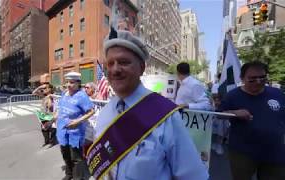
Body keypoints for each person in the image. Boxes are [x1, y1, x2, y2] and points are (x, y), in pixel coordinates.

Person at [89, 28, 208, 180]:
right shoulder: (105, 113)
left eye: (124, 62)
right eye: (110, 64)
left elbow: (193, 176)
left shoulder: (166, 115)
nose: (115, 69)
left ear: (142, 68)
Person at [219, 61, 285, 180]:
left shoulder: (277, 93)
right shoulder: (232, 96)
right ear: (242, 78)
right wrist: (234, 113)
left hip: (275, 152)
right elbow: (218, 114)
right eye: (252, 79)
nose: (258, 81)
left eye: (262, 77)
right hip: (243, 153)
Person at [56, 72, 95, 180]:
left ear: (78, 83)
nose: (68, 84)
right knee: (65, 154)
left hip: (75, 133)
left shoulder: (82, 96)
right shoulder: (65, 93)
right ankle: (69, 174)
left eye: (72, 82)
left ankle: (78, 177)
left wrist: (77, 121)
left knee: (76, 158)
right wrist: (53, 118)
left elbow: (91, 111)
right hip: (62, 130)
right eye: (67, 82)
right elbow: (60, 108)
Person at [32, 82, 57, 147]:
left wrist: (51, 97)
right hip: (43, 115)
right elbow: (33, 92)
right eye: (44, 88)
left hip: (51, 115)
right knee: (44, 129)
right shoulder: (43, 95)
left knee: (53, 130)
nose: (45, 89)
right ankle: (46, 141)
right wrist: (40, 87)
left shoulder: (53, 96)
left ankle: (52, 142)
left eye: (46, 87)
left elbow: (54, 105)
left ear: (50, 89)